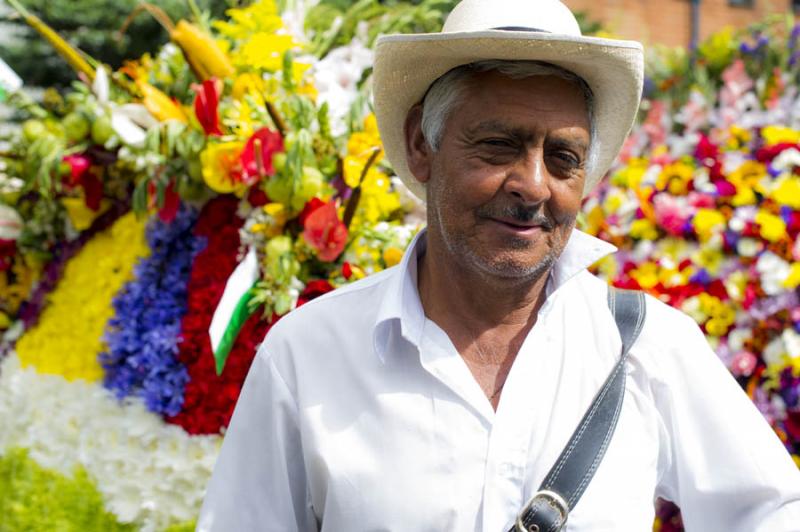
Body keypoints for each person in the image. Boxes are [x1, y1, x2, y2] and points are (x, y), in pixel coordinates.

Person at [198, 0, 800, 530]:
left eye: (563, 158)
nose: (533, 185)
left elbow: (774, 511)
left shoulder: (647, 347)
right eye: (498, 145)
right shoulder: (309, 352)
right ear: (420, 145)